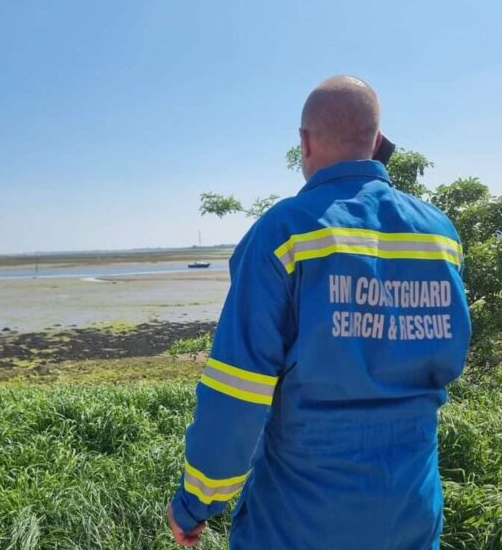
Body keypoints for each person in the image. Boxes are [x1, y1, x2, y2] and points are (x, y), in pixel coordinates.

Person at [166, 75, 471, 550]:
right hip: (411, 511)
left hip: (298, 522)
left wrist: (196, 502)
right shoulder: (439, 235)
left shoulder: (284, 233)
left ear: (304, 142)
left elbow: (237, 392)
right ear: (378, 141)